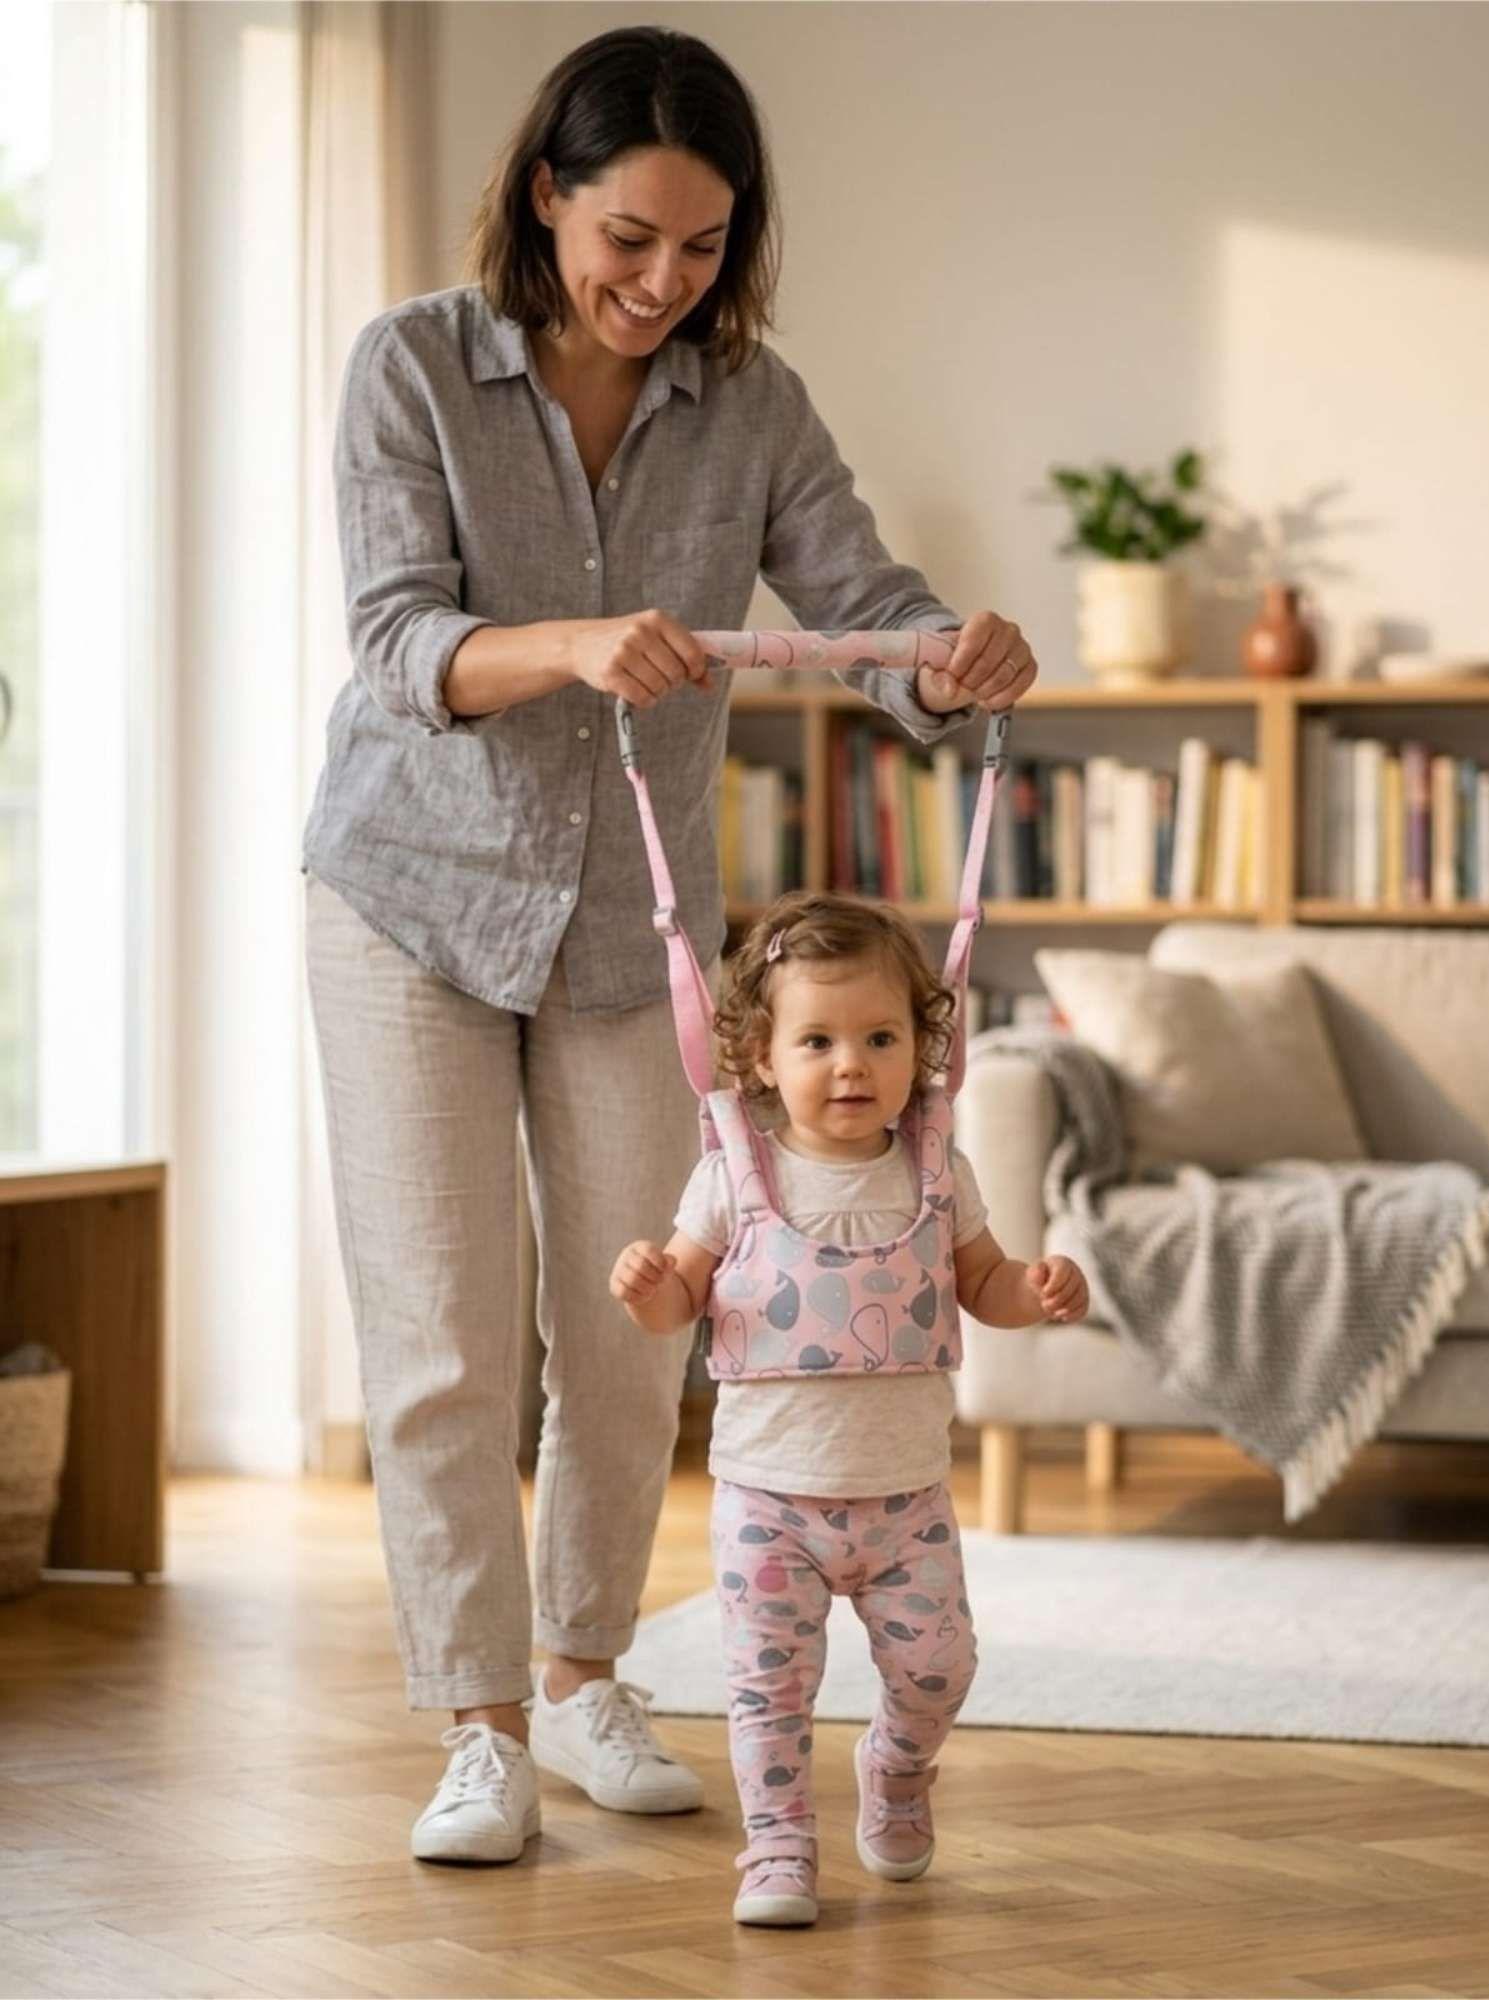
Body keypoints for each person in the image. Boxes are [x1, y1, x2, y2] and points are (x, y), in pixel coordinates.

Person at [303, 22, 1039, 1866]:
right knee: (447, 1338)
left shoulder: (755, 403)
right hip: (408, 896)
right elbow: (398, 635)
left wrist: (948, 661)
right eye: (628, 236)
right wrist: (571, 639)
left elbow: (863, 603)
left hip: (638, 939)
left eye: (703, 247)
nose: (660, 283)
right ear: (546, 197)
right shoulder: (412, 365)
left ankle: (579, 1678)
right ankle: (475, 1726)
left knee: (642, 1331)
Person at [609, 891, 1089, 1924]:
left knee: (938, 1665)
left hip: (903, 1498)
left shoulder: (935, 1170)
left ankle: (898, 1767)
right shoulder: (731, 1177)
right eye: (817, 1039)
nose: (851, 1064)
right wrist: (655, 1290)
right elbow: (680, 1303)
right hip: (766, 1498)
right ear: (760, 1058)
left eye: (881, 1036)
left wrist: (1037, 1292)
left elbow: (986, 1282)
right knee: (767, 1693)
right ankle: (777, 1846)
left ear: (924, 1046)